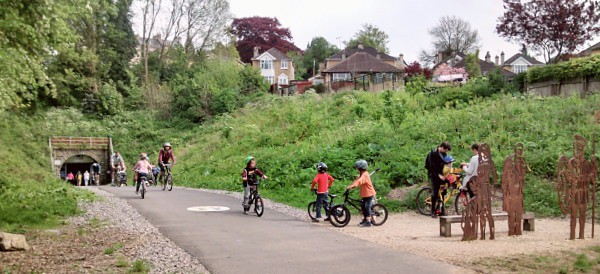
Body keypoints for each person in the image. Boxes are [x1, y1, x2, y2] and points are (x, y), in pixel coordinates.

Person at [425, 141, 451, 218]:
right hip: (433, 174)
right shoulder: (433, 154)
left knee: (443, 191)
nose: (446, 152)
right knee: (435, 192)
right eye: (445, 150)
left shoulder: (443, 153)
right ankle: (432, 211)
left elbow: (445, 162)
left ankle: (441, 209)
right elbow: (431, 167)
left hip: (441, 174)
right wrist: (438, 175)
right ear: (442, 147)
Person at [347, 160, 377, 227]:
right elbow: (357, 180)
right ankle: (365, 219)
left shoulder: (365, 175)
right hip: (365, 194)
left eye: (357, 168)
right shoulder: (361, 174)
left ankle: (368, 222)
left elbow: (359, 181)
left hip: (369, 193)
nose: (357, 169)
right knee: (363, 206)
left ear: (361, 168)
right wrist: (351, 185)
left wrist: (352, 186)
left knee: (367, 206)